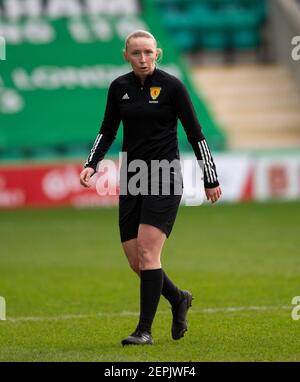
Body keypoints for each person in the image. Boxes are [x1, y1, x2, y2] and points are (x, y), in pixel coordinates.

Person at [80, 30, 222, 346]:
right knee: (136, 261)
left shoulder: (173, 86)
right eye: (136, 53)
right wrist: (92, 163)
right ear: (126, 55)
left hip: (165, 174)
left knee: (147, 251)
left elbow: (196, 134)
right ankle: (178, 298)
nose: (142, 59)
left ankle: (144, 331)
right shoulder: (119, 88)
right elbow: (107, 130)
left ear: (157, 53)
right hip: (132, 176)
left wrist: (210, 178)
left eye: (148, 52)